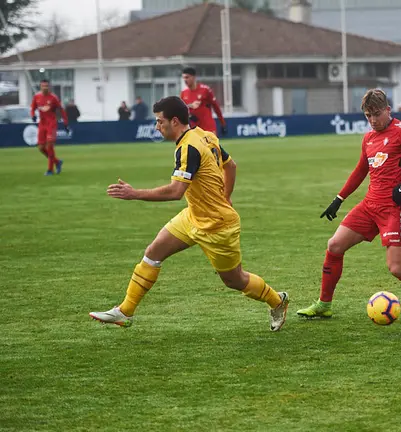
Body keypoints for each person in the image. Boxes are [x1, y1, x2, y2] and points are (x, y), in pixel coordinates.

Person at [89, 96, 289, 331]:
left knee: (235, 280)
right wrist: (226, 196)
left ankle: (277, 301)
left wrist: (135, 194)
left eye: (159, 121)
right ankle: (125, 312)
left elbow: (175, 192)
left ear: (174, 121)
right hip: (193, 215)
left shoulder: (188, 147)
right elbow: (231, 166)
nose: (156, 126)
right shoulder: (205, 135)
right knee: (153, 253)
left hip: (217, 227)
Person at [297, 89, 401, 319]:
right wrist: (339, 199)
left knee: (397, 269)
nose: (372, 120)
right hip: (370, 205)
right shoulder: (368, 138)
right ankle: (324, 304)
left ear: (388, 110)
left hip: (395, 207)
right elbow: (361, 170)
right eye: (368, 115)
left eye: (376, 114)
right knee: (334, 246)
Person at [30, 79, 68, 176]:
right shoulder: (37, 97)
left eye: (47, 86)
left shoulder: (53, 98)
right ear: (40, 87)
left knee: (49, 146)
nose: (45, 88)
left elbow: (61, 109)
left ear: (49, 87)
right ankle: (57, 162)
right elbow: (33, 108)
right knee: (41, 148)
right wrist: (32, 115)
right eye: (43, 86)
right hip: (42, 124)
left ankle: (50, 170)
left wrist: (65, 122)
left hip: (51, 124)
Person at [180, 67, 227, 136]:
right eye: (183, 78)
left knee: (211, 147)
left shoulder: (205, 90)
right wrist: (190, 108)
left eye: (187, 77)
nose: (185, 80)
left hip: (208, 128)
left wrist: (223, 123)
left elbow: (216, 107)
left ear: (193, 77)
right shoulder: (184, 93)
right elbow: (181, 110)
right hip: (194, 129)